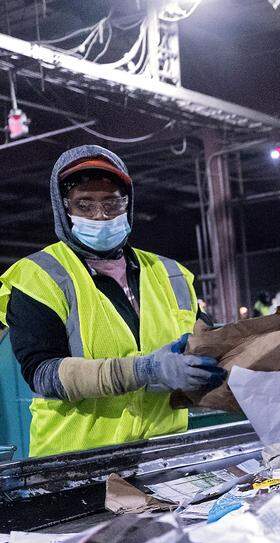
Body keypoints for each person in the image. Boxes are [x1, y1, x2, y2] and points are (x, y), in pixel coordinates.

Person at [0, 145, 224, 458]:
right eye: (85, 205)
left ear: (128, 206)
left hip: (163, 455)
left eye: (112, 203)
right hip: (78, 463)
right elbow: (44, 374)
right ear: (64, 209)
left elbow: (206, 341)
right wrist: (146, 371)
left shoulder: (170, 273)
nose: (101, 216)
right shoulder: (39, 276)